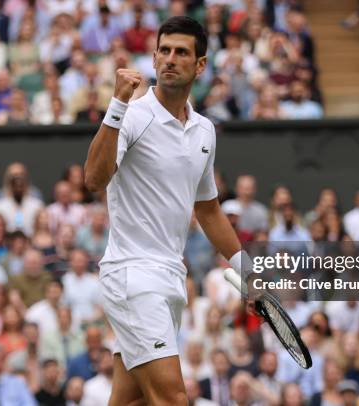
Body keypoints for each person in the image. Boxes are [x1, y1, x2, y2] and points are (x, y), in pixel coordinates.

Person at [83, 16, 253, 406]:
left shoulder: (205, 130)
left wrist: (247, 272)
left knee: (131, 400)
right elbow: (93, 179)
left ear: (200, 65)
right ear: (154, 56)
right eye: (164, 51)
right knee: (174, 399)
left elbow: (208, 210)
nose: (170, 59)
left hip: (170, 279)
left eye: (181, 52)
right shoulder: (132, 115)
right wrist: (116, 105)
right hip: (132, 275)